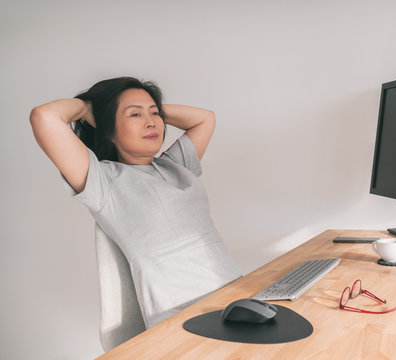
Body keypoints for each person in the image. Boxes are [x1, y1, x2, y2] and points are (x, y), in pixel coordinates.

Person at [30, 77, 242, 328]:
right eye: (135, 115)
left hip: (236, 296)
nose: (151, 122)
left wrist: (146, 108)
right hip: (184, 317)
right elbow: (44, 116)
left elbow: (205, 118)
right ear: (107, 129)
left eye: (155, 113)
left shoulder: (176, 166)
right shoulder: (103, 181)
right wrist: (89, 108)